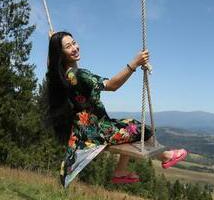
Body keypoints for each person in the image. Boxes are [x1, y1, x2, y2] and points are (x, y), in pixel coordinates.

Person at [45, 31, 187, 187]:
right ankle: (166, 156)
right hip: (96, 130)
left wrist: (53, 39)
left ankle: (120, 171)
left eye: (74, 42)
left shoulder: (60, 74)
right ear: (60, 53)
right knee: (140, 129)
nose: (75, 48)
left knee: (129, 124)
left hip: (83, 128)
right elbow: (112, 85)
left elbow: (51, 61)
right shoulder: (80, 75)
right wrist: (134, 63)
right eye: (68, 46)